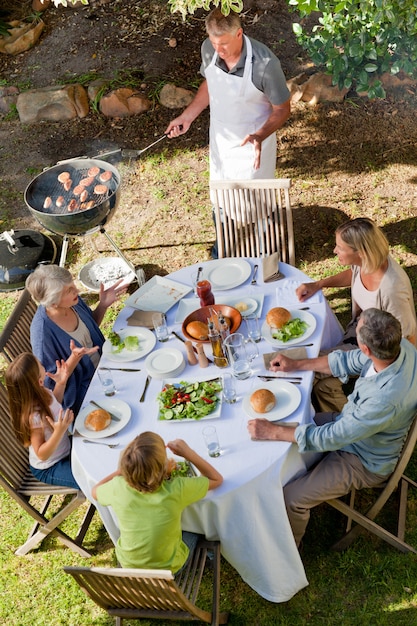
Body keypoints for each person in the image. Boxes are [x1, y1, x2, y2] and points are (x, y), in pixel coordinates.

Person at [247, 308, 417, 548]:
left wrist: (272, 431)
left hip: (363, 459)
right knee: (292, 426)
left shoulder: (384, 400)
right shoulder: (398, 349)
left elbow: (333, 437)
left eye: (357, 328)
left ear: (367, 349)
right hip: (351, 429)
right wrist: (296, 364)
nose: (355, 322)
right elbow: (347, 360)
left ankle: (288, 553)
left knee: (292, 498)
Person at [165, 9, 291, 256]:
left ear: (239, 34)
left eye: (223, 44)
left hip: (254, 141)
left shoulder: (265, 64)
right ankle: (222, 246)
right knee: (220, 195)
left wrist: (260, 135)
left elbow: (283, 109)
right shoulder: (209, 49)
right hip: (221, 138)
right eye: (213, 43)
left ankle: (267, 248)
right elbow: (211, 83)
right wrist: (187, 116)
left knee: (257, 200)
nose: (218, 50)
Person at [295, 217, 417, 413]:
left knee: (309, 367)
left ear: (359, 252)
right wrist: (318, 284)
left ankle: (347, 427)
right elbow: (353, 275)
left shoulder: (392, 290)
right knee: (322, 386)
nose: (334, 251)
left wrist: (388, 379)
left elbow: (408, 338)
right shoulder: (368, 261)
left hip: (376, 349)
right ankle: (345, 424)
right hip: (358, 331)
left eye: (340, 248)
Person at [92, 431, 223, 572]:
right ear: (161, 468)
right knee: (195, 526)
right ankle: (205, 560)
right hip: (167, 570)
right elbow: (216, 479)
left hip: (129, 566)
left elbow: (95, 491)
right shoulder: (176, 488)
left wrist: (121, 471)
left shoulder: (118, 487)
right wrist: (189, 453)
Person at [26, 264, 126, 415]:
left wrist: (103, 305)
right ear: (54, 303)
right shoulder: (42, 335)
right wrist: (74, 359)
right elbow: (54, 389)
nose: (77, 291)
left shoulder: (73, 302)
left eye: (73, 285)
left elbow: (88, 327)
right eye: (69, 290)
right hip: (88, 393)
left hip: (108, 364)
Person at [5, 352, 79, 489]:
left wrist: (61, 384)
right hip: (49, 467)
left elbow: (53, 406)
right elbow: (41, 454)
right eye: (41, 366)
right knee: (86, 480)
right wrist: (59, 432)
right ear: (39, 381)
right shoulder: (33, 417)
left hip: (65, 451)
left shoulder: (42, 391)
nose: (43, 366)